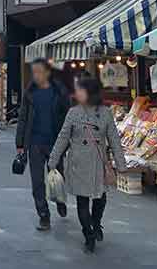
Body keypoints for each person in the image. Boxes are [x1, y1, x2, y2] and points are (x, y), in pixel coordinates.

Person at [48, 77, 127, 254]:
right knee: (82, 200)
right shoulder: (73, 113)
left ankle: (96, 223)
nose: (77, 93)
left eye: (80, 90)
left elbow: (114, 139)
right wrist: (53, 159)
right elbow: (63, 137)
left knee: (100, 198)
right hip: (78, 162)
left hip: (98, 161)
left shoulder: (105, 113)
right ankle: (88, 234)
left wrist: (121, 164)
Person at [16, 58, 71, 231]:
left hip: (55, 142)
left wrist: (68, 139)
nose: (36, 75)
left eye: (40, 71)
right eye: (34, 72)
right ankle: (43, 215)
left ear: (48, 72)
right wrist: (20, 143)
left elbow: (67, 115)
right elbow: (23, 118)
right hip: (35, 144)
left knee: (57, 177)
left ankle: (60, 201)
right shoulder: (30, 92)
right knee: (37, 182)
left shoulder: (59, 91)